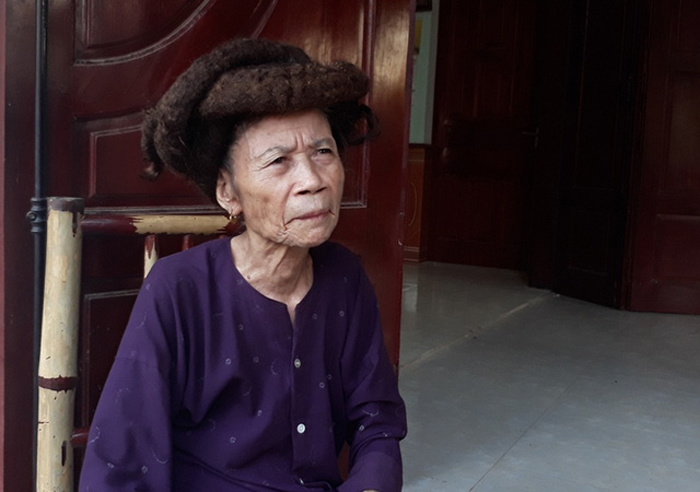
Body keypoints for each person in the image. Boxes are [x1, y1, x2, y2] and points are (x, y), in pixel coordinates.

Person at [78, 38, 407, 492]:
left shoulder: (344, 277)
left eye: (323, 152)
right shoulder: (179, 289)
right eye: (279, 161)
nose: (312, 180)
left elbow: (377, 419)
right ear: (228, 193)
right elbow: (123, 461)